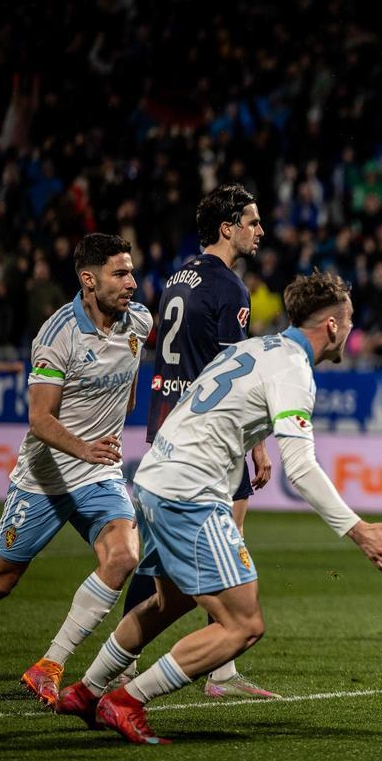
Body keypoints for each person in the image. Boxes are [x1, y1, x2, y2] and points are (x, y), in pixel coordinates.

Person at [54, 272, 382, 745]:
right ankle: (127, 700)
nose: (350, 331)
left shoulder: (256, 348)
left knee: (171, 600)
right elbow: (301, 468)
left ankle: (87, 689)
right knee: (243, 624)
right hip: (188, 493)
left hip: (156, 478)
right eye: (348, 321)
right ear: (331, 325)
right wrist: (357, 529)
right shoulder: (294, 371)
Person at [0, 234, 151, 711]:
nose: (132, 283)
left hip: (99, 473)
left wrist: (106, 437)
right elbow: (39, 419)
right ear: (88, 280)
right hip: (46, 476)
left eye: (132, 271)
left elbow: (131, 390)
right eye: (120, 273)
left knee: (122, 557)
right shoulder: (57, 335)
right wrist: (85, 446)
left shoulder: (139, 322)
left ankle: (49, 665)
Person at [119, 183, 278, 700]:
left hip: (165, 426)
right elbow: (233, 375)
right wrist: (256, 442)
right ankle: (219, 672)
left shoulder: (177, 277)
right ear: (228, 227)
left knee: (158, 560)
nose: (261, 230)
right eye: (252, 221)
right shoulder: (231, 289)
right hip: (210, 438)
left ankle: (123, 663)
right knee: (225, 548)